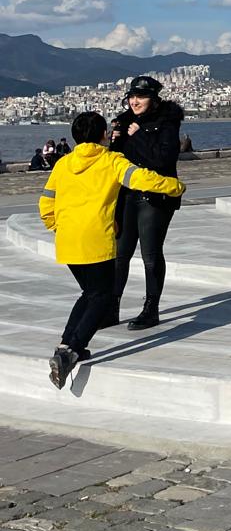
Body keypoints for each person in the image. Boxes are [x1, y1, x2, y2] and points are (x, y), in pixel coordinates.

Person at [39, 111, 185, 388]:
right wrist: (175, 186)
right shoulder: (112, 160)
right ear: (104, 135)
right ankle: (71, 352)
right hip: (96, 240)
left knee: (91, 293)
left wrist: (56, 226)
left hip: (68, 240)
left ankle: (66, 345)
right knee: (102, 296)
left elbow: (46, 202)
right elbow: (142, 179)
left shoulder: (63, 164)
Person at [108, 75, 184, 331]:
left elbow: (164, 160)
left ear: (154, 99)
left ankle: (151, 308)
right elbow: (116, 160)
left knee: (150, 254)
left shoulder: (167, 123)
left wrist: (139, 136)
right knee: (120, 254)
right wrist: (116, 140)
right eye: (131, 96)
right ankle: (111, 307)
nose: (135, 101)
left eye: (140, 97)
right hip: (127, 195)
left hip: (155, 196)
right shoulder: (124, 122)